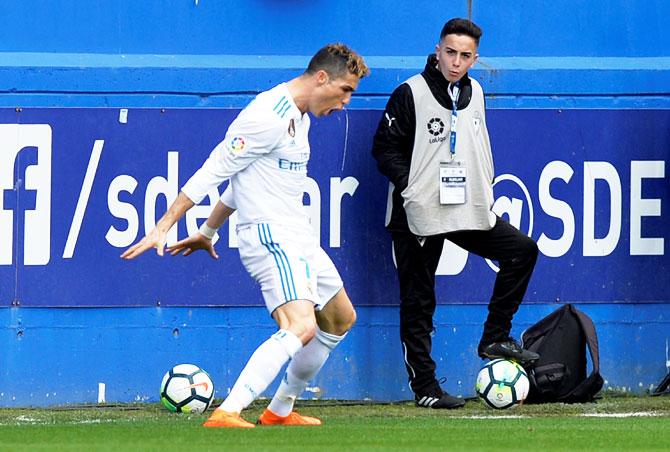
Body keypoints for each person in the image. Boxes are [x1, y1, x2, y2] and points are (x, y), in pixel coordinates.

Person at [122, 44, 370, 427]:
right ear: (322, 78)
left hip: (298, 234)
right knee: (301, 326)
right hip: (271, 236)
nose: (345, 103)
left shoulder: (300, 118)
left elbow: (241, 186)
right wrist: (164, 224)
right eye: (345, 91)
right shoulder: (267, 115)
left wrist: (208, 231)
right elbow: (214, 170)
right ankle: (228, 411)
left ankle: (280, 411)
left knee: (339, 318)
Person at [371, 18, 539, 409]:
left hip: (465, 208)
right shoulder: (409, 92)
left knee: (522, 250)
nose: (456, 62)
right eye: (450, 52)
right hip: (417, 213)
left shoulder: (475, 91)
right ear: (437, 50)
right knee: (419, 300)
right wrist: (412, 187)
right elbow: (384, 149)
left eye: (465, 56)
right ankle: (426, 388)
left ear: (475, 59)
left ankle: (494, 336)